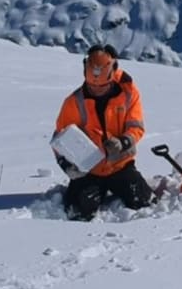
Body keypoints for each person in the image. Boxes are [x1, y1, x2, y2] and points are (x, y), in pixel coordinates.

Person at [51, 44, 154, 220]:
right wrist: (66, 165)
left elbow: (136, 127)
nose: (97, 90)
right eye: (92, 86)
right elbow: (59, 140)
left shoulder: (129, 93)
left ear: (113, 73)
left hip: (121, 167)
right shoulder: (73, 102)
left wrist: (123, 142)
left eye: (103, 86)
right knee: (78, 212)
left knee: (144, 202)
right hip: (89, 172)